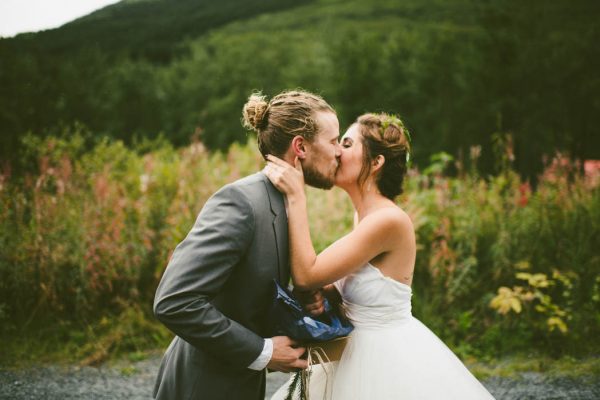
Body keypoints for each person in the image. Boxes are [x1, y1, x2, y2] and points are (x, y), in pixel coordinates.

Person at [266, 113, 495, 399]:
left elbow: (306, 274)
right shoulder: (363, 216)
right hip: (355, 350)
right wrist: (326, 294)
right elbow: (341, 284)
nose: (337, 151)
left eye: (347, 144)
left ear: (376, 163)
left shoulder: (387, 221)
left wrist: (297, 196)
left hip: (384, 358)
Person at [152, 90, 342, 400]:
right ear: (301, 147)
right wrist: (264, 351)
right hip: (200, 388)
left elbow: (243, 299)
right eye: (333, 141)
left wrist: (297, 304)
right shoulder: (241, 202)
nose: (339, 152)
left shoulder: (288, 204)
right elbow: (175, 301)